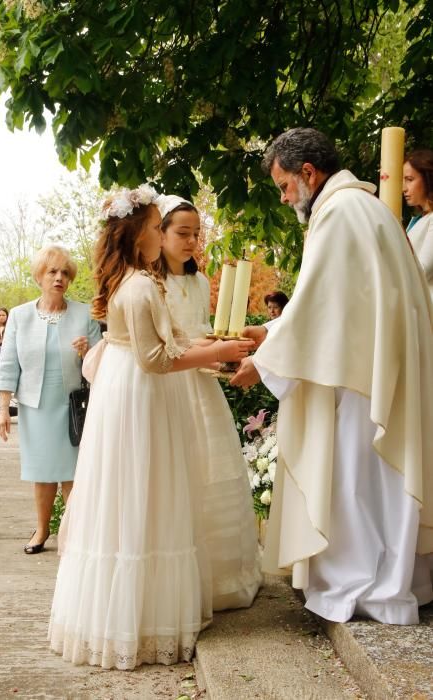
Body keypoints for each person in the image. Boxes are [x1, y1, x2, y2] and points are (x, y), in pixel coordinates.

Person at [231, 127, 433, 625]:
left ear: (308, 172)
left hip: (361, 377)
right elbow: (332, 301)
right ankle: (396, 579)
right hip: (371, 364)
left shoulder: (341, 212)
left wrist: (264, 361)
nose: (283, 198)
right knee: (372, 480)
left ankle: (362, 585)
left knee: (353, 479)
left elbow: (324, 307)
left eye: (283, 186)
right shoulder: (363, 207)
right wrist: (270, 330)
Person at [48, 186, 254, 670]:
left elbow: (172, 339)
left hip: (133, 389)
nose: (166, 236)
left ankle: (136, 612)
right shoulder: (139, 286)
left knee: (140, 494)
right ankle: (138, 619)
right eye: (160, 228)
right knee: (145, 493)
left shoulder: (139, 280)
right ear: (142, 234)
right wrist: (219, 353)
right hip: (140, 394)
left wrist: (211, 346)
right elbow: (157, 359)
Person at [156, 193, 261, 610]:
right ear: (159, 233)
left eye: (197, 234)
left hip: (202, 387)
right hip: (168, 387)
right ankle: (177, 579)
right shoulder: (149, 283)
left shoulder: (200, 282)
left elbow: (205, 329)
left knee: (213, 469)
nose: (191, 241)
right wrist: (205, 348)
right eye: (182, 233)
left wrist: (223, 355)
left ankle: (221, 577)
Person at [0, 245, 101, 554]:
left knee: (72, 473)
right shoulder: (19, 316)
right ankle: (42, 531)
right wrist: (4, 410)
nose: (59, 278)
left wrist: (87, 352)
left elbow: (102, 364)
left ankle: (74, 536)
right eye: (52, 272)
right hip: (35, 407)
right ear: (39, 276)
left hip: (74, 405)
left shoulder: (85, 313)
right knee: (42, 474)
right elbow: (9, 364)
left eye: (65, 273)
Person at [403, 149, 433, 299]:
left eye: (409, 179)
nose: (404, 188)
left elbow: (422, 271)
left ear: (428, 178)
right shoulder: (419, 219)